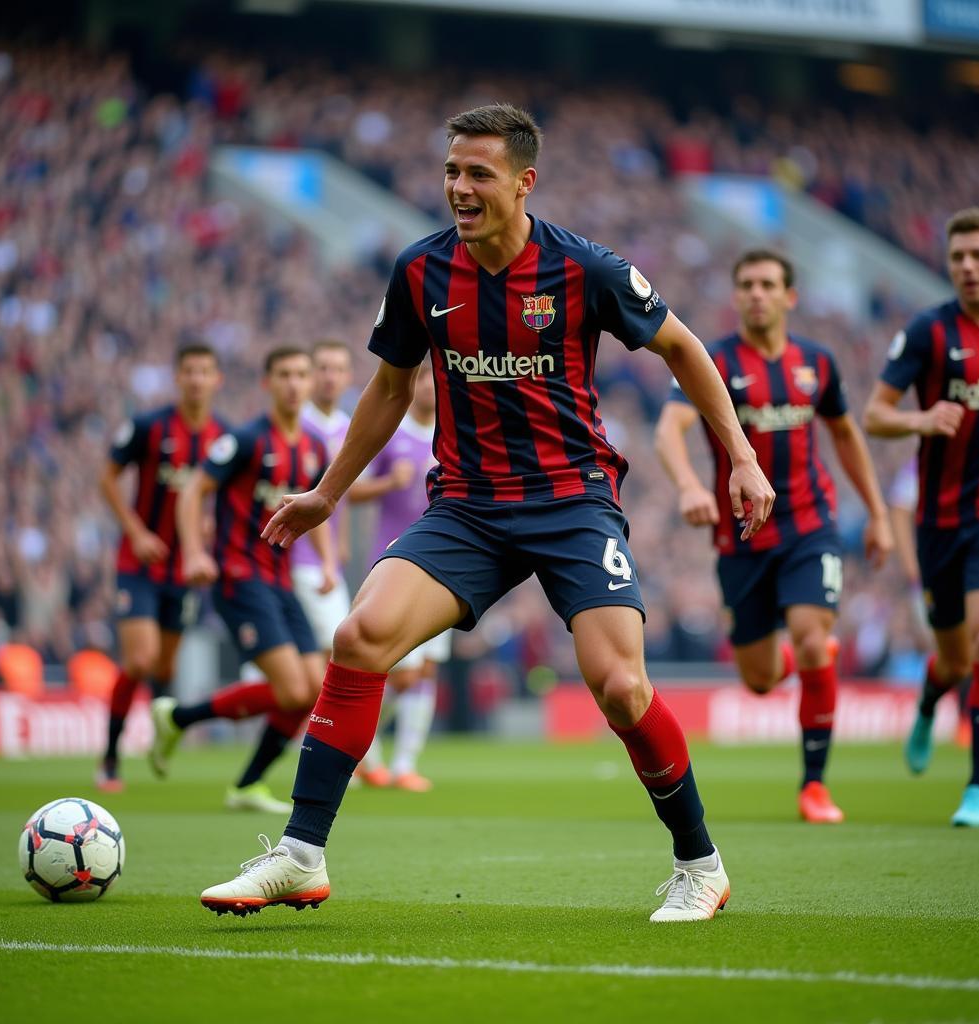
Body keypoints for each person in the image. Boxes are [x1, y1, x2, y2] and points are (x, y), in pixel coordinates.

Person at [199, 103, 774, 922]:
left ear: (523, 183)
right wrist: (328, 491)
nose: (458, 189)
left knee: (618, 686)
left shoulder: (584, 269)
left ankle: (700, 863)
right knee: (360, 637)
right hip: (467, 507)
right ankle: (300, 855)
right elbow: (390, 388)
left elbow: (684, 348)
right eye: (451, 172)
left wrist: (743, 457)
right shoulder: (420, 271)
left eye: (478, 174)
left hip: (572, 500)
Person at [656, 250, 893, 823]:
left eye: (767, 285)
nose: (756, 294)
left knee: (814, 640)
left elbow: (845, 436)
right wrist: (690, 484)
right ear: (735, 295)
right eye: (746, 285)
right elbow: (670, 428)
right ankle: (800, 660)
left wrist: (878, 513)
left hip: (810, 526)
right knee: (759, 680)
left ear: (790, 296)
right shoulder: (712, 360)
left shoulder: (818, 363)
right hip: (740, 539)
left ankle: (814, 786)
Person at [149, 347, 336, 813]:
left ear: (310, 384)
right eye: (284, 375)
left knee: (313, 690)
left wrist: (329, 562)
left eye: (300, 375)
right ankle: (181, 717)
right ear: (266, 383)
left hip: (281, 578)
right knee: (293, 690)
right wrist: (193, 551)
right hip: (239, 575)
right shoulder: (246, 439)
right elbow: (194, 490)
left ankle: (243, 781)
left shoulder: (313, 447)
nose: (294, 384)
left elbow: (318, 508)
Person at [864, 207, 979, 828]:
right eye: (958, 258)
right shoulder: (929, 332)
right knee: (954, 660)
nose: (968, 267)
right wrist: (921, 419)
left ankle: (977, 788)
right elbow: (874, 415)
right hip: (938, 521)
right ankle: (928, 703)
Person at [95, 342, 226, 792]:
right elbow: (107, 477)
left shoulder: (222, 438)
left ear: (216, 380)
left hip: (184, 571)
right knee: (141, 659)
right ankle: (110, 755)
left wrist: (210, 527)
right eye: (188, 370)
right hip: (139, 563)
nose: (196, 379)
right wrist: (135, 531)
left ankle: (160, 737)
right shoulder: (149, 427)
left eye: (204, 371)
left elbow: (229, 495)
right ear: (178, 377)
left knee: (165, 666)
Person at [349, 362, 445, 792]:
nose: (430, 387)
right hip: (397, 560)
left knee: (424, 670)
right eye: (423, 378)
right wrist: (389, 483)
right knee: (398, 671)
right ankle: (363, 752)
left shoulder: (452, 435)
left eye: (434, 379)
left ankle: (404, 764)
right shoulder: (395, 431)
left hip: (445, 563)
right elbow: (353, 490)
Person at [888, 458, 972, 748]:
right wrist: (913, 568)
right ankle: (933, 705)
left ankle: (969, 722)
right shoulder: (921, 462)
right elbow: (899, 509)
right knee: (957, 657)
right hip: (939, 571)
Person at [289, 341, 354, 663]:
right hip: (297, 553)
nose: (330, 377)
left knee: (307, 658)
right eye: (323, 368)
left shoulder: (350, 428)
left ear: (348, 377)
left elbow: (346, 493)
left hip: (326, 556)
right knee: (335, 650)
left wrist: (340, 543)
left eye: (338, 370)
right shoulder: (295, 424)